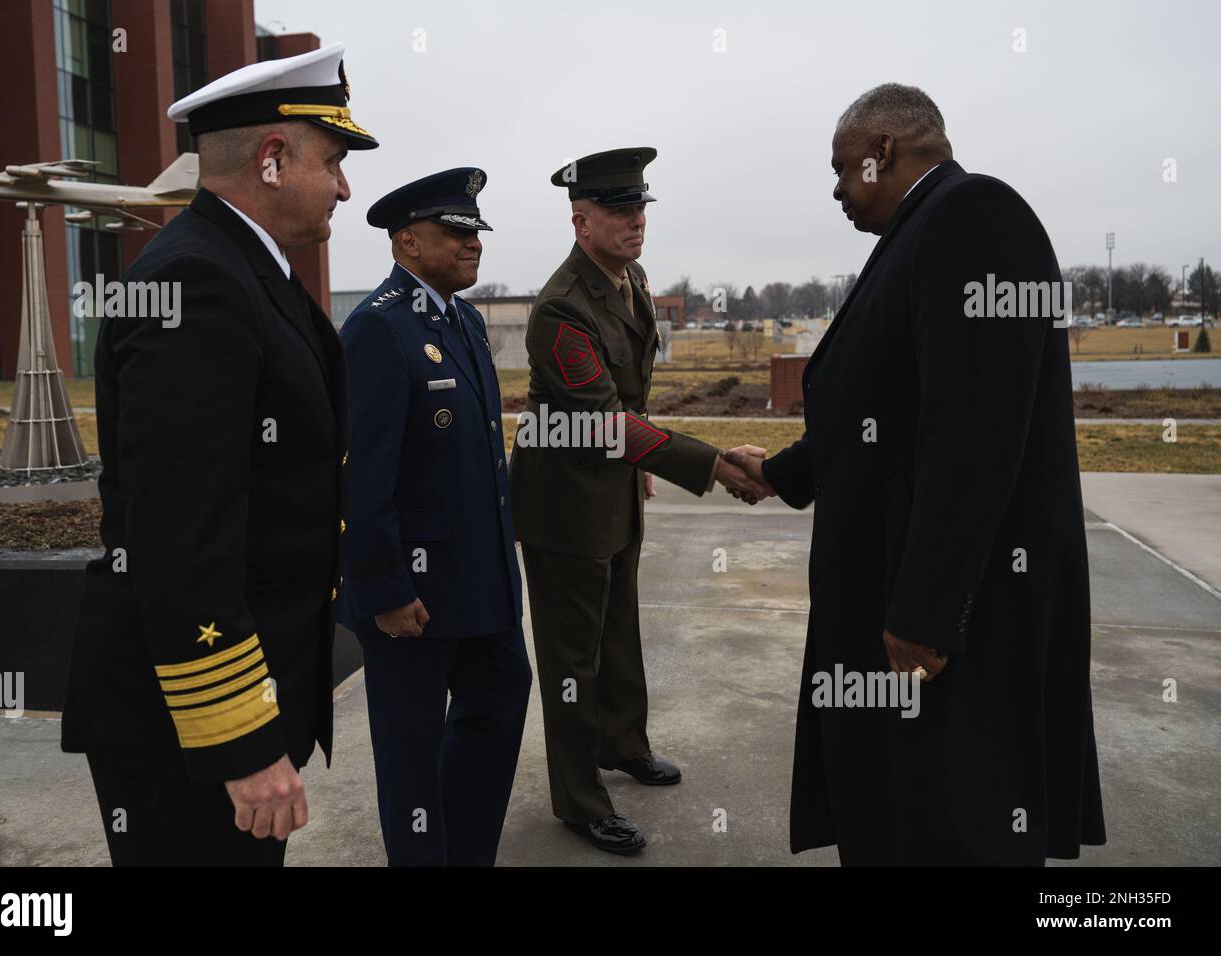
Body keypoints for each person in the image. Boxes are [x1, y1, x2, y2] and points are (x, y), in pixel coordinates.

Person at [723, 83, 1106, 865]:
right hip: (909, 597)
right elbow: (884, 411)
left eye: (842, 168)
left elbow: (973, 434)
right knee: (906, 812)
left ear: (885, 151)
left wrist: (929, 610)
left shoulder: (976, 218)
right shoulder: (917, 234)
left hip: (957, 617)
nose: (835, 189)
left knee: (959, 816)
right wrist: (787, 472)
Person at [61, 44, 377, 866]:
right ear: (273, 159)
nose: (345, 187)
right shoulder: (198, 285)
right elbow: (180, 535)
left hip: (229, 706)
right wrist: (241, 742)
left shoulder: (239, 268)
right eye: (333, 162)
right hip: (187, 731)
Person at [509, 147, 770, 855]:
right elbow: (598, 416)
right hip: (564, 500)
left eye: (640, 208)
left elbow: (630, 401)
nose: (635, 223)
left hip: (615, 481)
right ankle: (579, 800)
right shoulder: (562, 307)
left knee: (618, 630)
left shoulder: (631, 280)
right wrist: (711, 463)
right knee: (573, 660)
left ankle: (622, 746)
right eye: (619, 212)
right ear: (580, 219)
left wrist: (640, 461)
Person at [337, 168, 532, 866]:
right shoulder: (378, 331)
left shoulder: (466, 321)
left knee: (501, 700)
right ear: (408, 241)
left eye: (475, 230)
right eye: (455, 232)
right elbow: (362, 478)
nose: (471, 243)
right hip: (411, 598)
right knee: (411, 750)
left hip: (480, 583)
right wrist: (386, 589)